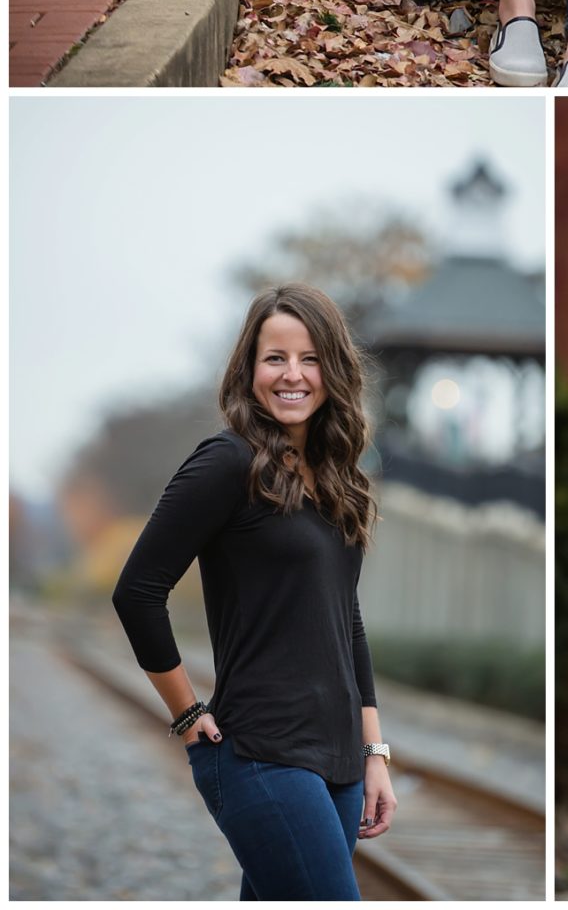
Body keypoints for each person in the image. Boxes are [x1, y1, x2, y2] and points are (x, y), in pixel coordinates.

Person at [113, 285, 396, 902]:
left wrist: (373, 751)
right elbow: (137, 592)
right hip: (262, 755)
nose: (293, 375)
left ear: (334, 371)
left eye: (311, 358)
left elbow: (345, 621)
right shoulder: (226, 462)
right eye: (275, 358)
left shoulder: (339, 479)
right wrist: (188, 716)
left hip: (339, 765)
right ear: (249, 369)